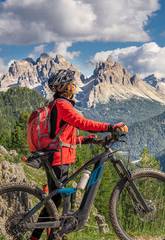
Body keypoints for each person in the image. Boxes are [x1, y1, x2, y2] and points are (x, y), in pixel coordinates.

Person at [30, 69, 128, 240]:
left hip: (56, 154)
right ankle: (40, 236)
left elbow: (62, 136)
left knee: (55, 200)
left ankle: (48, 236)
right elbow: (82, 122)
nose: (73, 87)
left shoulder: (56, 105)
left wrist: (88, 140)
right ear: (66, 87)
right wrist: (110, 127)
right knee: (55, 199)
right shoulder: (62, 105)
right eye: (71, 84)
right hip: (59, 157)